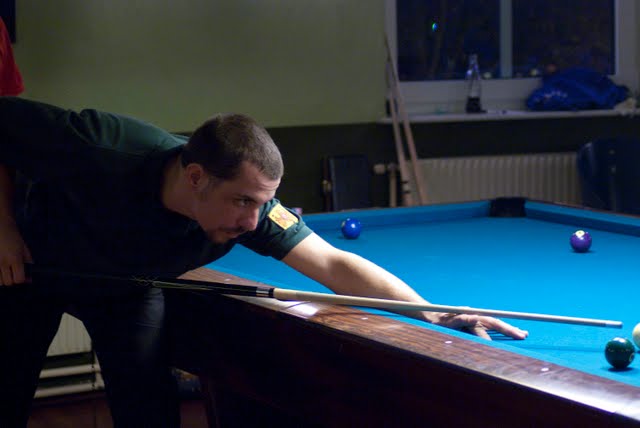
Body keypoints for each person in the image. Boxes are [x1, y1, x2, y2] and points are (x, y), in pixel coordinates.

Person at [0, 96, 528, 427]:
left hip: (127, 287)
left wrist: (431, 312)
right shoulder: (101, 145)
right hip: (31, 268)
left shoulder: (251, 211)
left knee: (150, 412)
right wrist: (2, 228)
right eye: (242, 201)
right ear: (195, 177)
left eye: (263, 202)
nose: (253, 221)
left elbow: (333, 264)